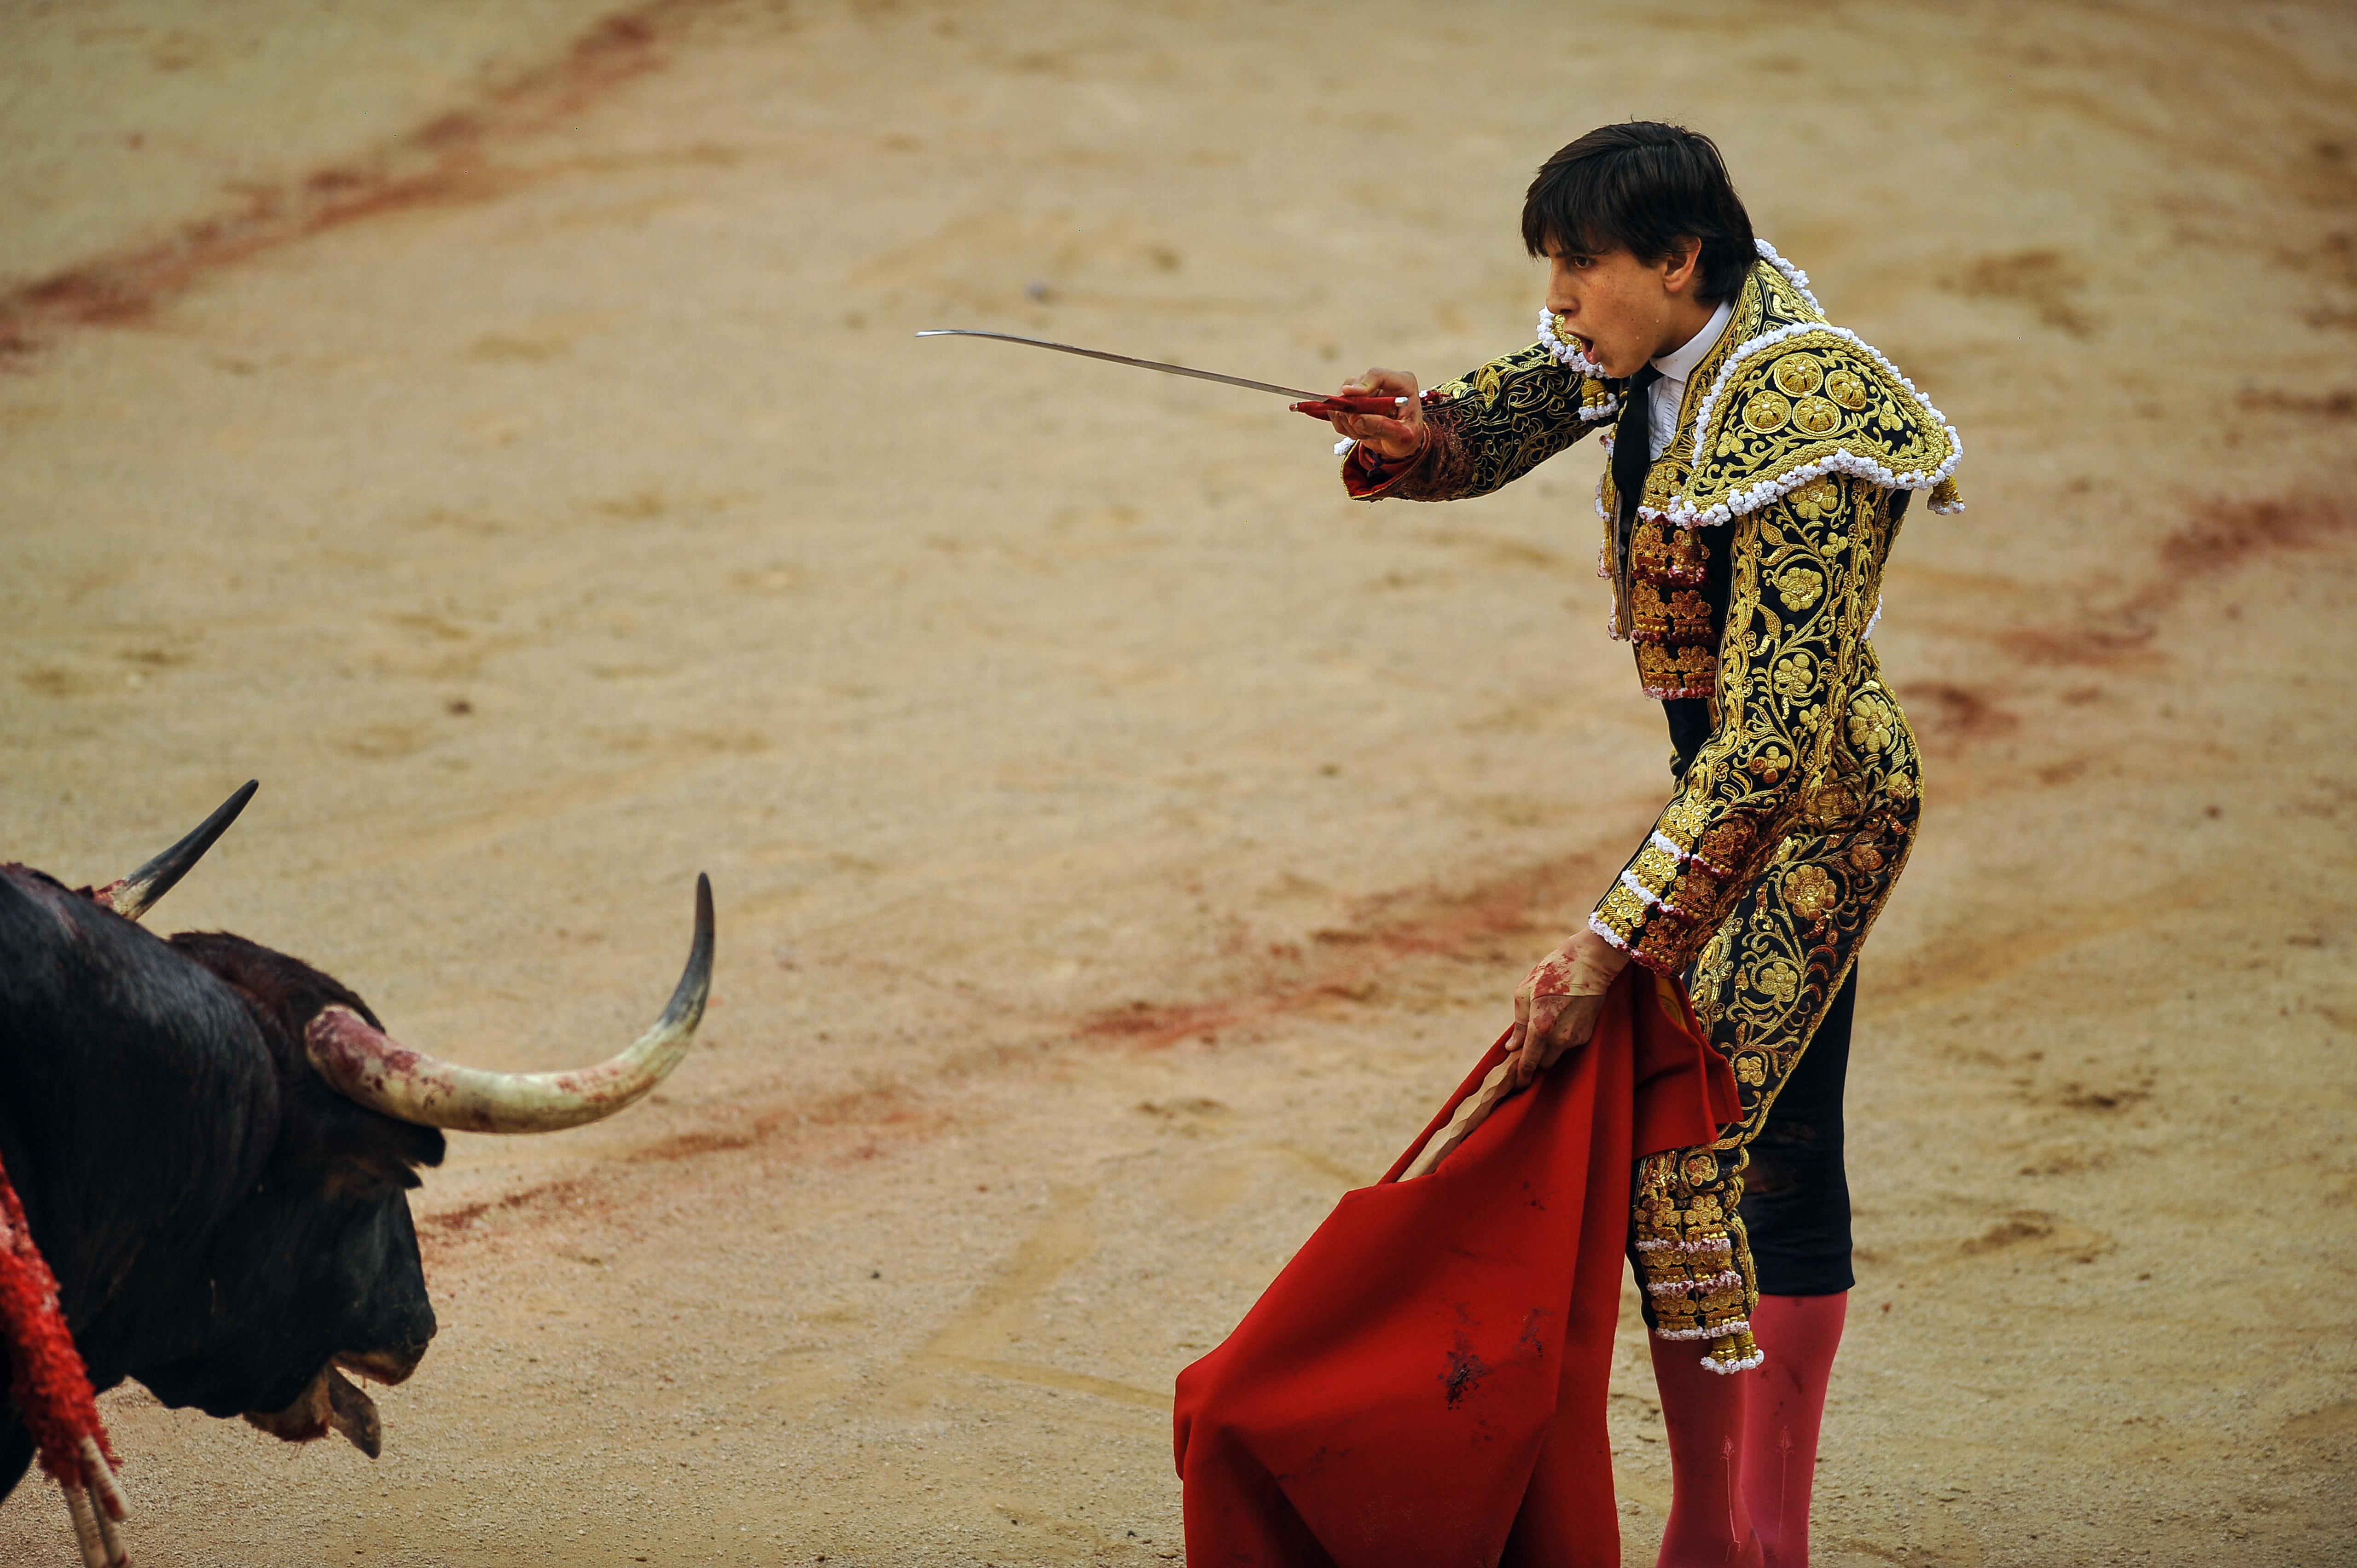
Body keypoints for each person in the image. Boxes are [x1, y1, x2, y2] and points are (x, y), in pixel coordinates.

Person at [1321, 121, 1961, 1567]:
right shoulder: (1645, 339)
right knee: (1772, 1145)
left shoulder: (1801, 412)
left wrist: (1608, 943)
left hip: (1818, 816)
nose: (1557, 301)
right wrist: (1417, 437)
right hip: (1720, 793)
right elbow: (1505, 417)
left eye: (1578, 268)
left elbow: (1773, 748)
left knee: (1688, 1149)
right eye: (1550, 267)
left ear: (1678, 263)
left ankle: (1731, 1541)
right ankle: (1742, 1533)